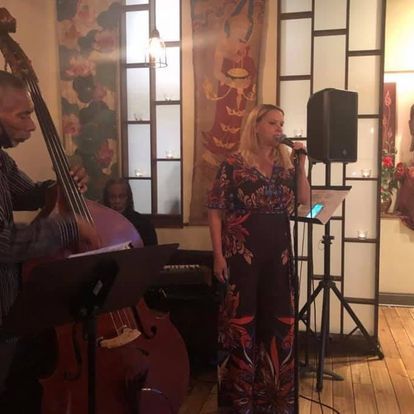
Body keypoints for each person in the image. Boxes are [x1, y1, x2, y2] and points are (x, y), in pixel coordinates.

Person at [0, 70, 100, 413]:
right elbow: (3, 243)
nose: (32, 126)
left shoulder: (2, 161)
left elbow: (30, 193)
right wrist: (69, 227)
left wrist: (60, 187)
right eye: (22, 115)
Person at [207, 104, 310, 413]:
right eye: (273, 123)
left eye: (282, 123)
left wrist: (301, 164)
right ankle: (239, 403)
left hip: (278, 258)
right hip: (241, 256)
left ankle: (273, 401)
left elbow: (304, 200)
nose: (280, 129)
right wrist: (218, 255)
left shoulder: (285, 165)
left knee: (277, 324)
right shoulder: (233, 164)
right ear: (256, 126)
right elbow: (215, 210)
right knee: (242, 324)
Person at [102, 177, 158, 246]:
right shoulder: (99, 224)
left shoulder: (144, 224)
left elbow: (152, 251)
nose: (117, 201)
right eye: (113, 197)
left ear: (128, 198)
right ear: (107, 199)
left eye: (122, 196)